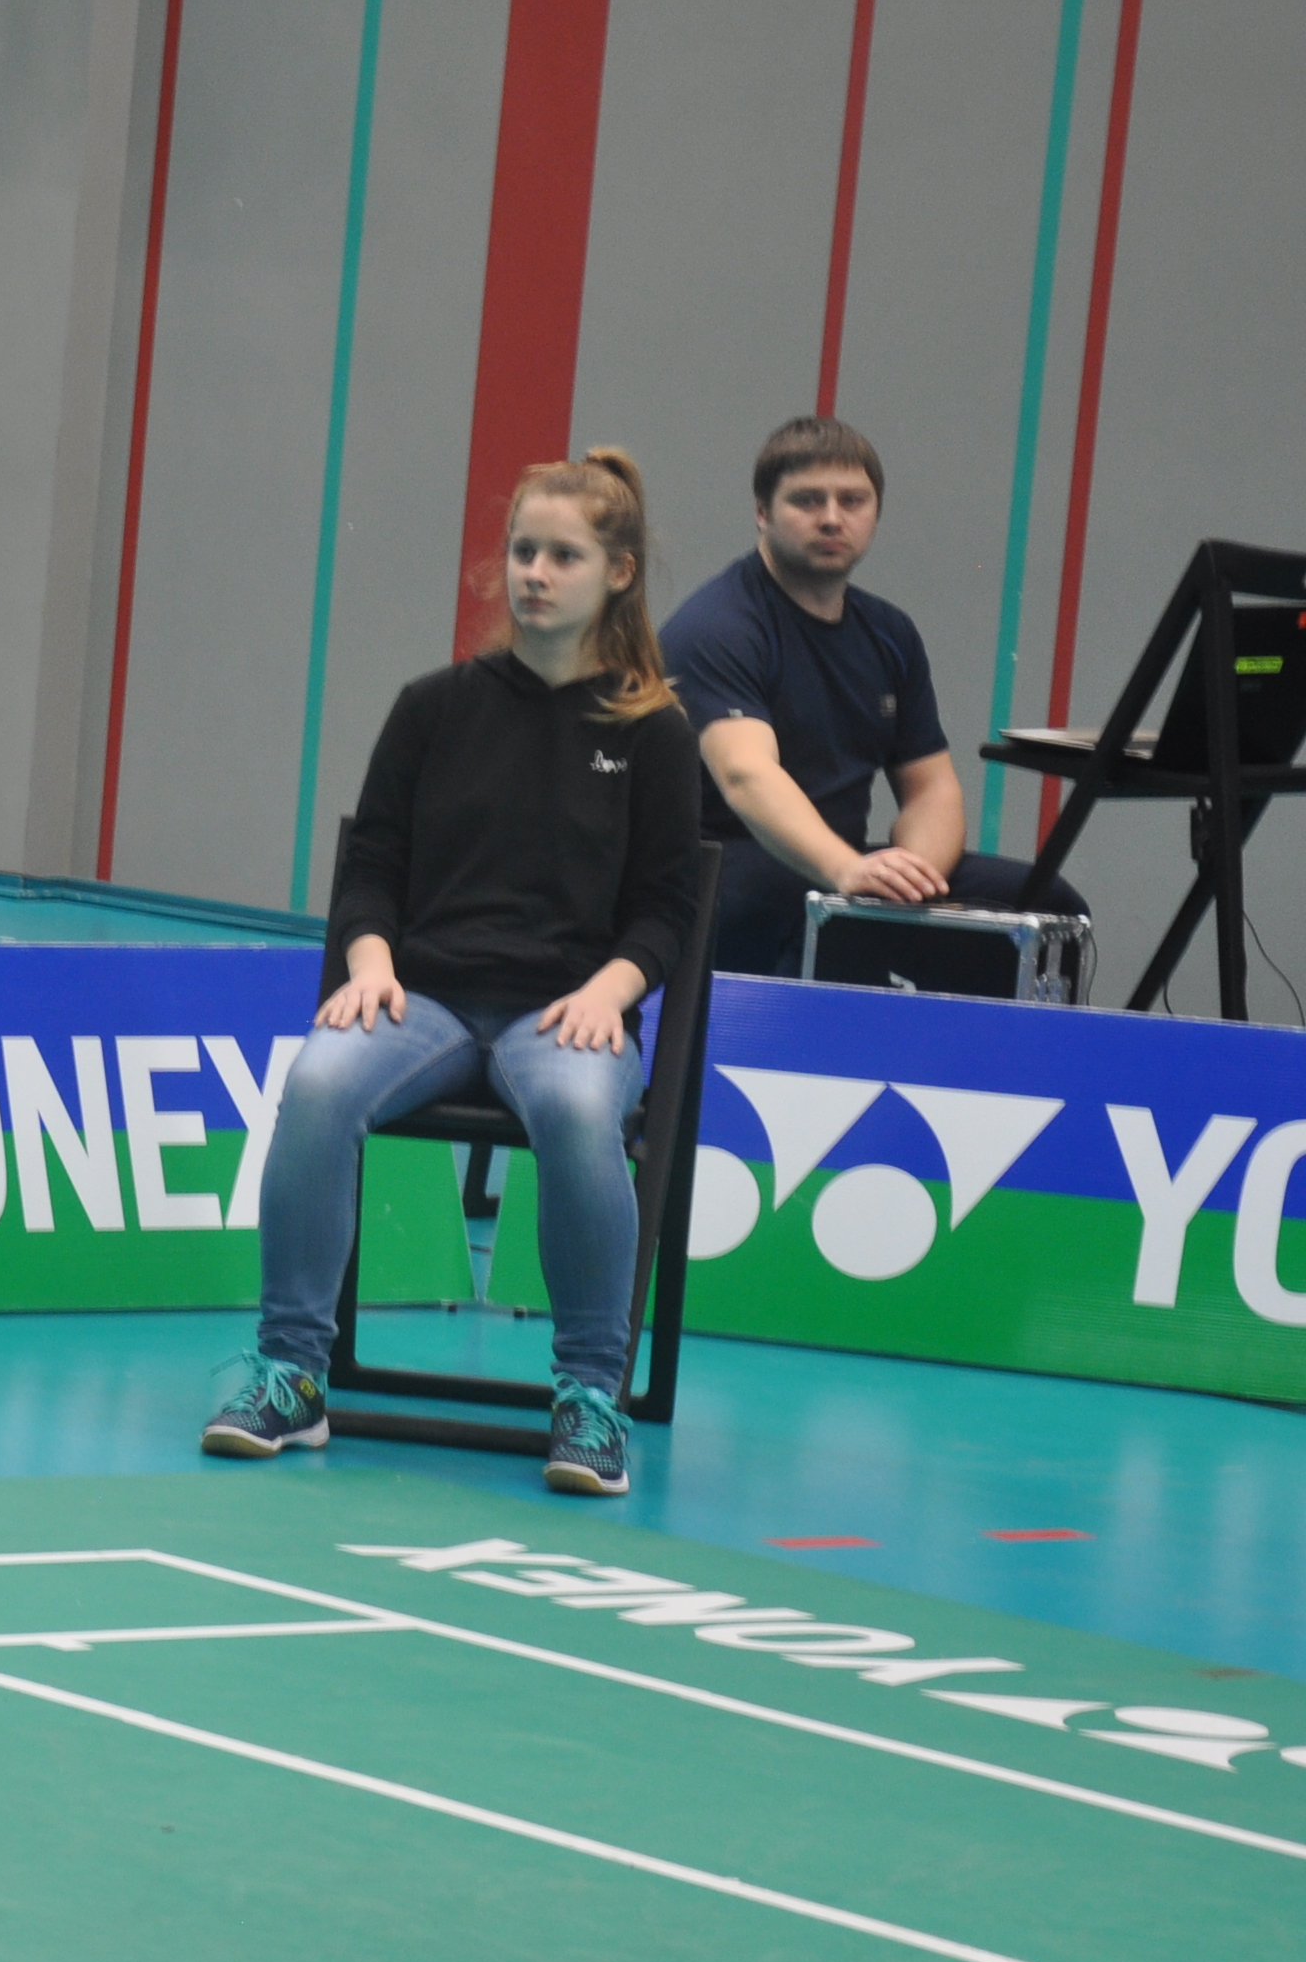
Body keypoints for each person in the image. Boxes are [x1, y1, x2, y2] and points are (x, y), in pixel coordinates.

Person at [201, 451, 708, 1499]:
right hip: (421, 1001)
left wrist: (611, 990)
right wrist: (368, 961)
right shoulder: (432, 708)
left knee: (578, 1112)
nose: (535, 574)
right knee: (318, 1081)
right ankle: (293, 1374)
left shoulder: (654, 732)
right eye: (523, 552)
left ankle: (590, 1398)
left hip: (565, 1012)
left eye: (562, 556)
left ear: (617, 573)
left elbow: (666, 907)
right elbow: (372, 863)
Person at [660, 415, 1085, 978]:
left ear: (875, 514)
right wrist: (845, 872)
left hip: (841, 866)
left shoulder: (890, 634)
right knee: (806, 914)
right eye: (807, 500)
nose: (831, 518)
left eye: (852, 501)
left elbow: (931, 789)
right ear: (762, 512)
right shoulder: (717, 626)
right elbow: (746, 775)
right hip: (727, 866)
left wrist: (912, 880)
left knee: (1049, 906)